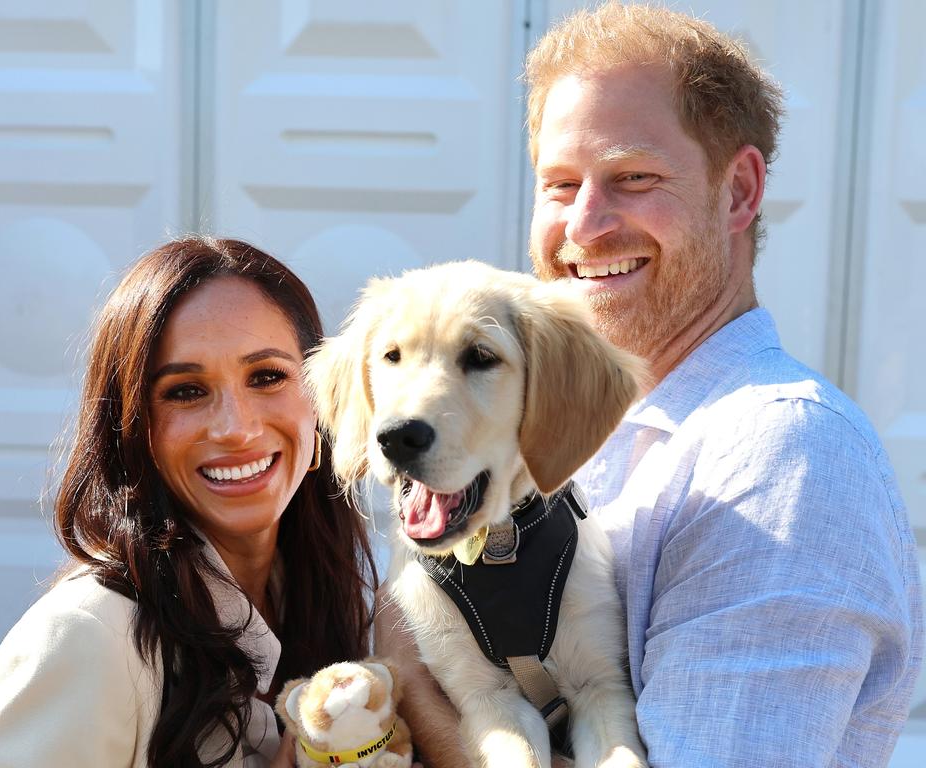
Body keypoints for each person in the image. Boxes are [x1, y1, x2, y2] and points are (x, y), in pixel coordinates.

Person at [379, 3, 923, 767]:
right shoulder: (564, 419)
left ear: (738, 192)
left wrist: (417, 691)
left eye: (634, 177)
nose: (586, 227)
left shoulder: (783, 456)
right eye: (561, 185)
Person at [0, 237, 379, 767]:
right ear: (134, 431)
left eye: (267, 377)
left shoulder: (338, 604)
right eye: (185, 391)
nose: (236, 428)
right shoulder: (84, 637)